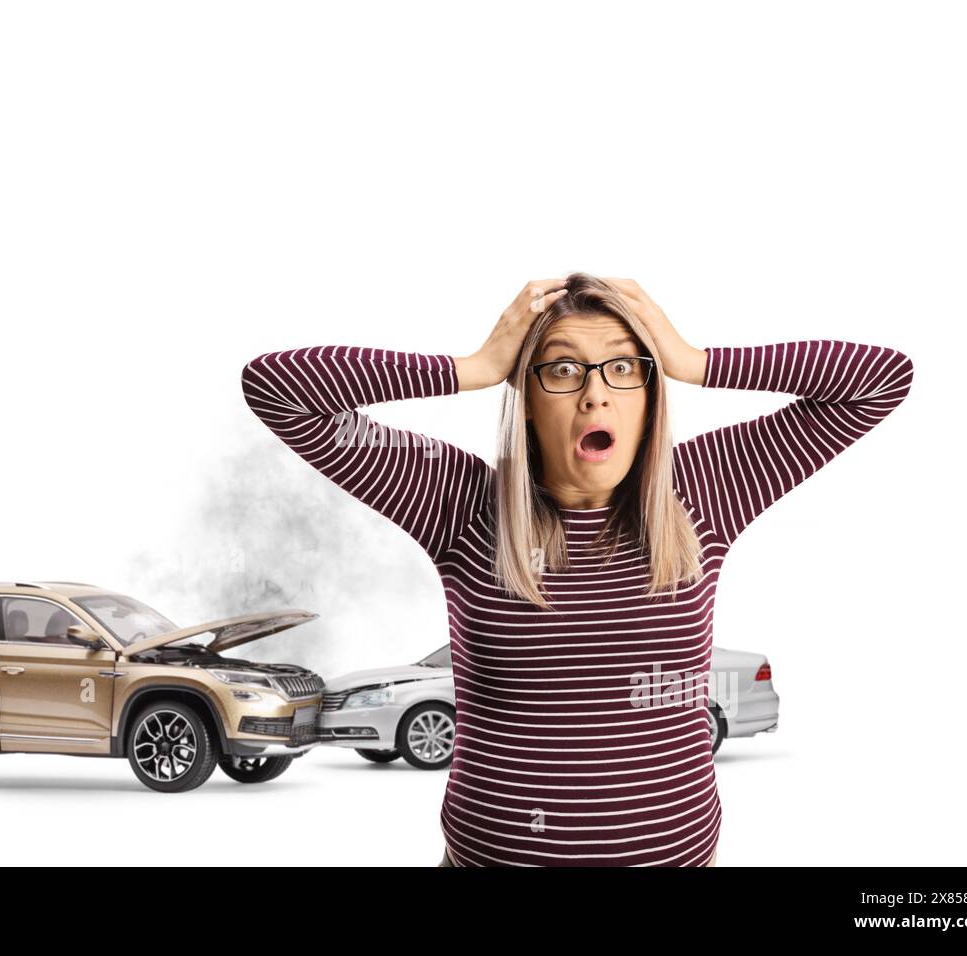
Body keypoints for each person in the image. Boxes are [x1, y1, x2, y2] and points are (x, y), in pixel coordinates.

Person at [242, 273, 914, 866]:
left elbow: (883, 379)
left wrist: (692, 359)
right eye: (562, 371)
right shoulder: (459, 501)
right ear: (527, 400)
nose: (596, 395)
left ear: (650, 397)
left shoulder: (704, 488)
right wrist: (474, 367)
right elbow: (277, 389)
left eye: (624, 368)